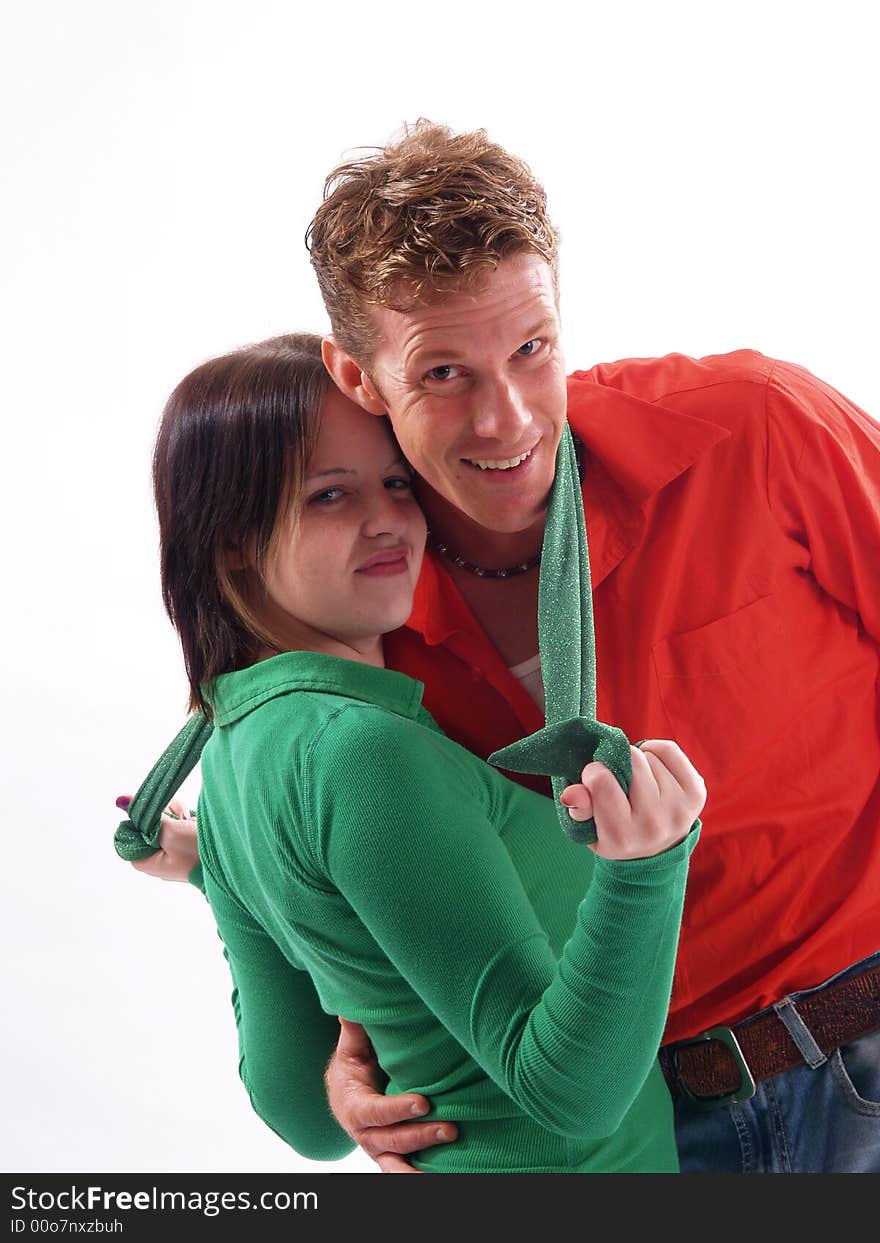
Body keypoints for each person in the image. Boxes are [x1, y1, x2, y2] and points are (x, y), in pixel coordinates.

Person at [134, 121, 880, 1174]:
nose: (506, 417)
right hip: (649, 1125)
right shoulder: (367, 625)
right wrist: (356, 1054)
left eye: (531, 348)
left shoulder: (754, 427)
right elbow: (417, 896)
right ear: (357, 376)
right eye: (442, 372)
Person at [142, 329, 704, 1173]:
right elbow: (573, 1095)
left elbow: (305, 1113)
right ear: (231, 542)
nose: (389, 519)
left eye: (396, 482)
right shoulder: (362, 749)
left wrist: (217, 873)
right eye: (331, 495)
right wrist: (644, 868)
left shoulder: (233, 759)